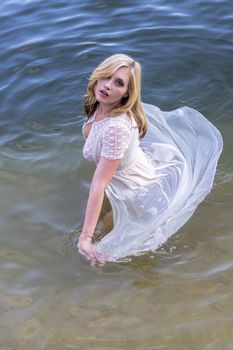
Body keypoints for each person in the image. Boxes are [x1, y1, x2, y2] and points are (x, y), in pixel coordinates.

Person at [77, 53, 222, 267]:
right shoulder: (97, 103)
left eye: (118, 83)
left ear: (127, 93)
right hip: (124, 177)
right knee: (106, 225)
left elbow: (99, 184)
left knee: (123, 246)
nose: (107, 86)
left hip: (140, 190)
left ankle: (149, 276)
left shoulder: (115, 129)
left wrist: (85, 237)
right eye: (106, 76)